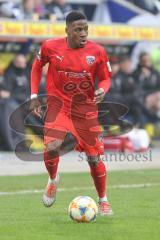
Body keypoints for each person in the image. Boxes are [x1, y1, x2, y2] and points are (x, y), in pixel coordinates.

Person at [29, 11, 113, 216]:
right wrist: (33, 96)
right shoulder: (50, 46)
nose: (83, 33)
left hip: (85, 111)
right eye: (78, 30)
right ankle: (53, 179)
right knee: (52, 147)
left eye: (85, 29)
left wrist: (103, 89)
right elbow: (37, 67)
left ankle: (103, 200)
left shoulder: (98, 51)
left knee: (94, 159)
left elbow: (105, 78)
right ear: (67, 30)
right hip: (59, 108)